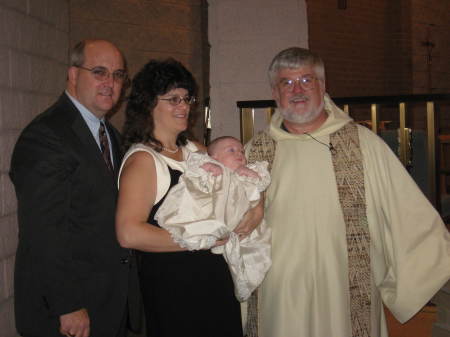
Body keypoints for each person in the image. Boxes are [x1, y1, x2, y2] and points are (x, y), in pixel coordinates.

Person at [244, 46, 450, 337]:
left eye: (306, 80)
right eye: (286, 83)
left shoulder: (363, 144)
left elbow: (409, 211)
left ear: (323, 87)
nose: (297, 90)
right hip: (279, 286)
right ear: (275, 94)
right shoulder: (256, 153)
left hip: (345, 285)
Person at [115, 58, 262, 337]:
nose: (183, 106)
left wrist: (258, 210)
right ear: (148, 104)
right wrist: (202, 239)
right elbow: (128, 233)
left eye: (186, 98)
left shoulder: (193, 148)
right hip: (174, 288)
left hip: (212, 280)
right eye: (172, 99)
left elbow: (240, 176)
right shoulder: (144, 160)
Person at [9, 39, 141, 337]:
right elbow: (43, 231)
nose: (110, 83)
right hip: (70, 313)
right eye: (99, 72)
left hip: (108, 302)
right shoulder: (46, 136)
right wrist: (66, 305)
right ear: (72, 74)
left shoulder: (111, 135)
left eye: (118, 75)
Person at [155, 136, 272, 301]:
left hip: (244, 228)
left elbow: (260, 186)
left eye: (241, 151)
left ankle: (245, 282)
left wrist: (251, 176)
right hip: (216, 224)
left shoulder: (248, 171)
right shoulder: (208, 164)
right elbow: (194, 169)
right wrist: (207, 166)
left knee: (252, 254)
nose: (239, 154)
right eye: (231, 150)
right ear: (214, 157)